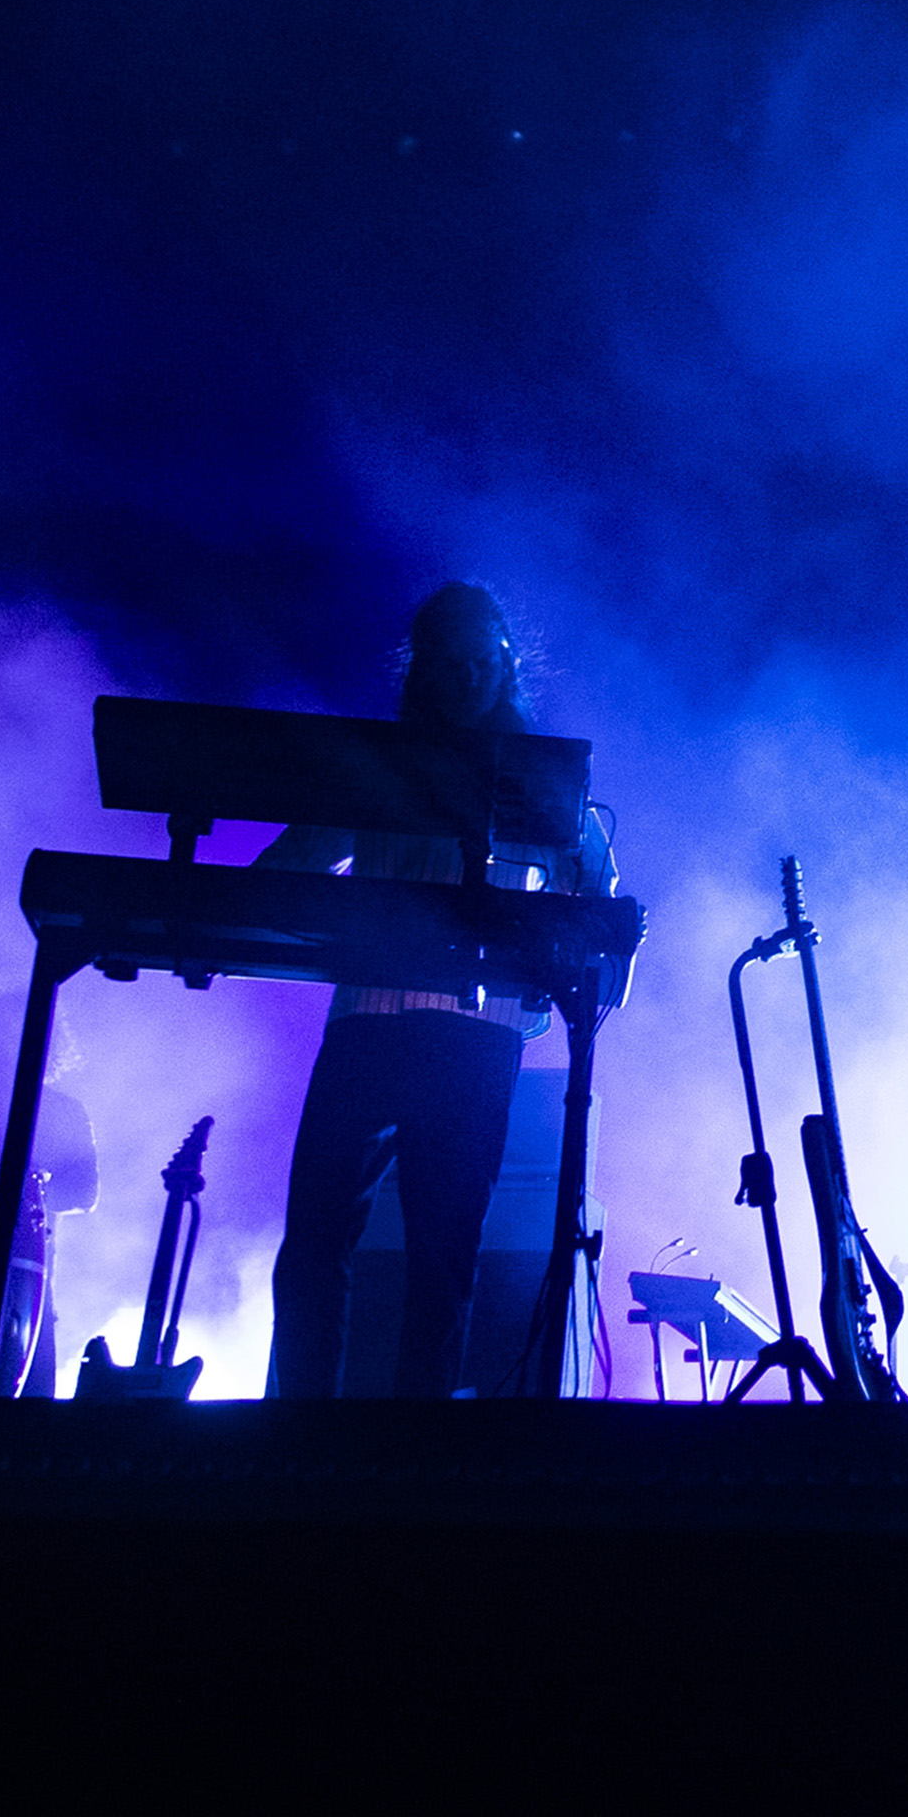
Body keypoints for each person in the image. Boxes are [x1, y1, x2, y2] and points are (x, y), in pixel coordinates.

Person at [259, 583, 606, 1398]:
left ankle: (412, 1445)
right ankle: (305, 1435)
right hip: (385, 1026)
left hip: (460, 1035)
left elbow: (596, 884)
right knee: (315, 1240)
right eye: (453, 666)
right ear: (425, 670)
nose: (469, 680)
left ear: (506, 662)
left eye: (483, 663)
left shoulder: (539, 779)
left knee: (440, 1257)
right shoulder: (386, 768)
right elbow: (298, 856)